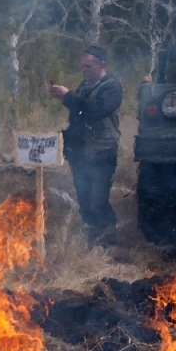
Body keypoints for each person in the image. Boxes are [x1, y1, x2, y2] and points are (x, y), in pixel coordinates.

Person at [49, 45, 123, 247]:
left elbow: (94, 110)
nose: (84, 70)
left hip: (102, 153)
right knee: (84, 200)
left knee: (98, 201)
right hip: (81, 154)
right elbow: (78, 118)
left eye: (88, 66)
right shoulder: (84, 86)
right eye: (82, 66)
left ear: (102, 65)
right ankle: (93, 239)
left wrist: (68, 96)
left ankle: (108, 242)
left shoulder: (112, 87)